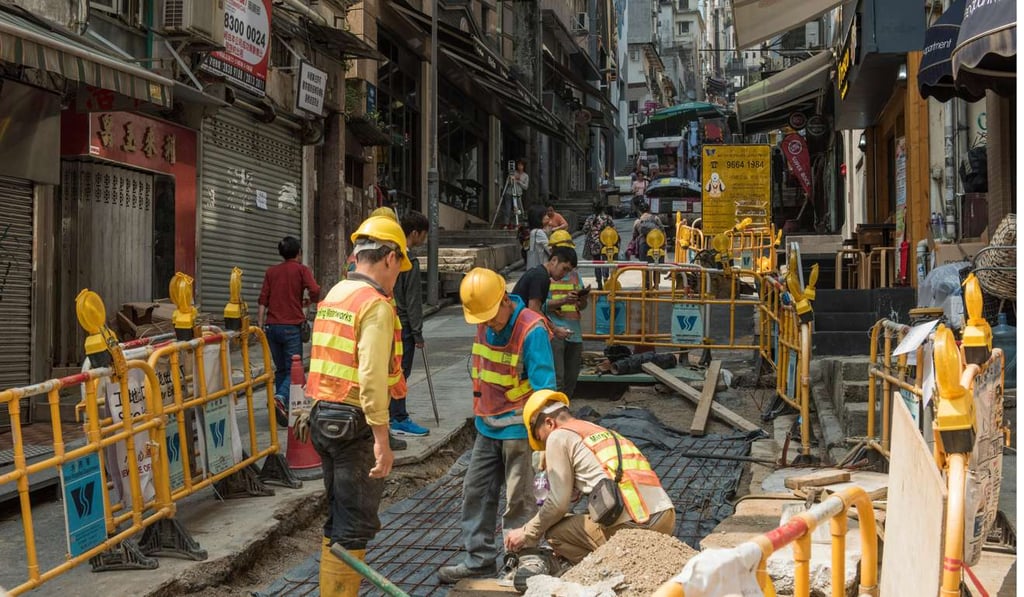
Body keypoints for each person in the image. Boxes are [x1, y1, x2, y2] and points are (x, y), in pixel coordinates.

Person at [304, 215, 412, 597]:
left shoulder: (335, 293)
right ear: (389, 258)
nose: (398, 275)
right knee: (355, 524)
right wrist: (382, 439)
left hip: (323, 417)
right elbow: (369, 377)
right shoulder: (375, 305)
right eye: (401, 266)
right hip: (354, 423)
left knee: (338, 517)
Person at [437, 268, 557, 584]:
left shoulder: (532, 330)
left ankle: (527, 557)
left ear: (505, 299)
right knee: (475, 492)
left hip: (521, 430)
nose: (488, 323)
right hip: (488, 426)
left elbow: (546, 389)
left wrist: (546, 439)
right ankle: (479, 560)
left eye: (492, 316)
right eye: (482, 318)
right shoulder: (484, 318)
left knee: (520, 498)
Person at [504, 390, 676, 591]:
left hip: (636, 525)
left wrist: (527, 533)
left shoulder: (558, 436)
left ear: (549, 423)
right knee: (581, 519)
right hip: (665, 517)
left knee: (555, 531)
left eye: (541, 439)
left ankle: (602, 573)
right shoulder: (598, 431)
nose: (544, 446)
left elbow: (557, 504)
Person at [258, 236, 321, 427]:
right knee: (295, 368)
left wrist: (260, 325)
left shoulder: (271, 272)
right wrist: (311, 301)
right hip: (291, 327)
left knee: (282, 369)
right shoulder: (302, 270)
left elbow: (263, 300)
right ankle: (280, 397)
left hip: (271, 327)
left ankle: (282, 407)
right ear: (298, 253)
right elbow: (315, 289)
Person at [390, 210, 431, 438]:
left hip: (386, 321)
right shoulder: (409, 261)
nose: (423, 240)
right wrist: (417, 332)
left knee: (389, 371)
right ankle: (399, 416)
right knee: (401, 373)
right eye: (423, 235)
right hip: (403, 326)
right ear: (414, 233)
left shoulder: (388, 255)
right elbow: (413, 299)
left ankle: (390, 413)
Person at [543, 243, 587, 400]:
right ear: (555, 259)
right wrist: (563, 300)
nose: (566, 273)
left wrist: (582, 299)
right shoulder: (544, 277)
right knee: (557, 379)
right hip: (555, 334)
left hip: (574, 334)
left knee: (571, 379)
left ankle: (564, 410)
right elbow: (540, 305)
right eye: (565, 268)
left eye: (569, 269)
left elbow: (582, 306)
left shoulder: (575, 276)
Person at [582, 203, 616, 290]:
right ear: (603, 209)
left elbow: (585, 230)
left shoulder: (590, 218)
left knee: (597, 264)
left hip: (594, 244)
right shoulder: (608, 218)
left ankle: (599, 283)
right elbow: (614, 230)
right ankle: (606, 280)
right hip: (606, 243)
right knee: (605, 262)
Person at [632, 203, 664, 289]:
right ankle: (656, 285)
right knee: (656, 266)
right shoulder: (656, 218)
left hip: (643, 245)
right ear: (649, 209)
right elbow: (662, 232)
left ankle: (647, 286)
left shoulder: (638, 221)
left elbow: (634, 235)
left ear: (639, 211)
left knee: (645, 266)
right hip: (656, 245)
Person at [504, 159, 530, 227]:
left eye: (521, 165)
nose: (519, 167)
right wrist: (511, 179)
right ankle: (506, 223)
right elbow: (508, 183)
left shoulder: (525, 176)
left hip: (518, 193)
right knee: (508, 208)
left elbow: (526, 187)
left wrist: (519, 181)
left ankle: (517, 222)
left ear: (523, 166)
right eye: (518, 165)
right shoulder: (513, 173)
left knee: (518, 209)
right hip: (509, 192)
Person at [524, 204, 550, 270]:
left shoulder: (534, 231)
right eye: (545, 215)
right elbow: (549, 249)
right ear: (538, 217)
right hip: (542, 265)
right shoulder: (539, 232)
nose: (548, 217)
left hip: (535, 266)